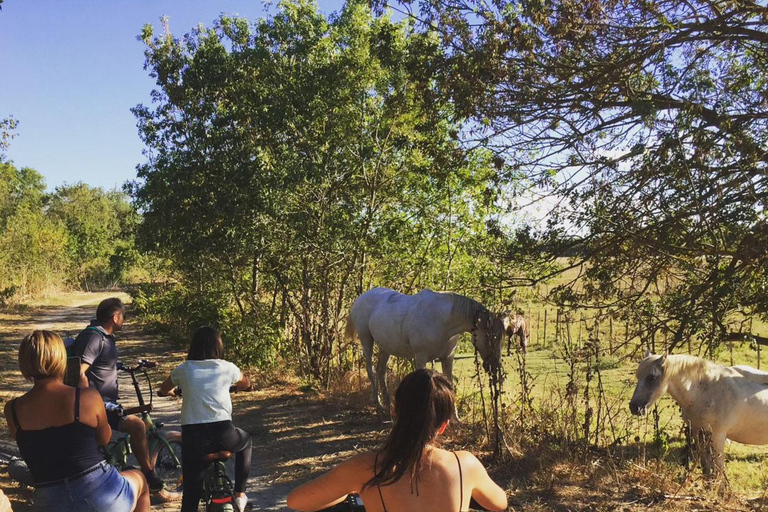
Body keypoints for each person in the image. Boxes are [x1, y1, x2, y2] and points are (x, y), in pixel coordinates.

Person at [287, 369, 508, 512]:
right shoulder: (465, 465)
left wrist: (350, 488)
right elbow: (500, 503)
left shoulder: (366, 468)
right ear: (443, 426)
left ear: (394, 411)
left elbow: (296, 501)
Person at [4, 330, 150, 512]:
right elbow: (104, 438)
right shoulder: (87, 397)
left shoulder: (12, 409)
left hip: (49, 500)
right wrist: (82, 392)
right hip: (99, 492)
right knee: (140, 480)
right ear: (61, 359)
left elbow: (37, 449)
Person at [72, 297, 164, 491]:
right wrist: (85, 401)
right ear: (115, 317)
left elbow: (101, 364)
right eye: (124, 315)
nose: (125, 320)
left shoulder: (102, 336)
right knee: (138, 426)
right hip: (98, 403)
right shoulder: (95, 337)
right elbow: (80, 371)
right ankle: (149, 475)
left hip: (100, 401)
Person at [158, 326, 253, 512]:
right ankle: (240, 494)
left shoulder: (184, 369)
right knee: (246, 441)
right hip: (226, 436)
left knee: (191, 494)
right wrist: (242, 387)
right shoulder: (227, 368)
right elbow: (246, 383)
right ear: (218, 347)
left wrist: (168, 392)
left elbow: (163, 388)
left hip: (196, 440)